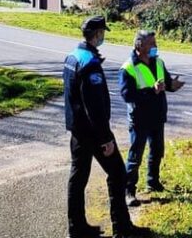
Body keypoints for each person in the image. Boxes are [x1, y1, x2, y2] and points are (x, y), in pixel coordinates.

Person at [63, 15, 151, 238]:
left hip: (77, 131)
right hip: (94, 132)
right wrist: (106, 139)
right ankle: (122, 227)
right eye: (103, 33)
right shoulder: (90, 64)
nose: (103, 37)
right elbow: (95, 106)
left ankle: (77, 228)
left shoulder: (73, 56)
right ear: (97, 35)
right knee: (118, 175)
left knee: (78, 178)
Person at [119, 30, 185, 207]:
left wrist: (173, 86)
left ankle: (153, 182)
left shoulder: (158, 62)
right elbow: (127, 95)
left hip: (157, 116)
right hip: (139, 118)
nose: (155, 47)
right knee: (135, 156)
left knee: (157, 151)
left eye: (155, 43)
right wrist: (151, 91)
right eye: (151, 44)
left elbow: (166, 84)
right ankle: (129, 191)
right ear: (139, 46)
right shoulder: (128, 68)